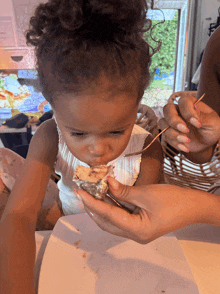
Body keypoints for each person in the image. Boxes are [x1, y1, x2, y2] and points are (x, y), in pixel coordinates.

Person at [0, 0, 163, 292]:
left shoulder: (146, 147)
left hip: (125, 253)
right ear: (54, 112)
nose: (98, 149)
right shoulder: (50, 137)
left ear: (136, 106)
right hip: (68, 234)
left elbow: (151, 220)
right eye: (78, 133)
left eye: (116, 130)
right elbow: (17, 215)